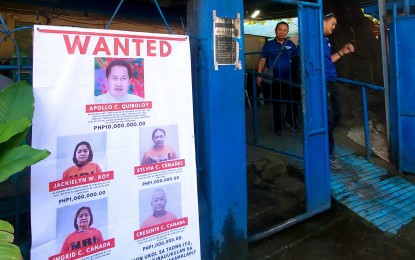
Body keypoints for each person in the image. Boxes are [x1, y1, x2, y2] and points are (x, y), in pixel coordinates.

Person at [323, 13, 355, 170]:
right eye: (333, 23)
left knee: (337, 115)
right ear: (323, 21)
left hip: (331, 82)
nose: (334, 27)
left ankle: (324, 147)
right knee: (328, 118)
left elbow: (328, 61)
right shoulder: (314, 40)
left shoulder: (325, 40)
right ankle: (328, 152)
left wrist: (342, 52)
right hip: (322, 84)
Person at [256, 21, 300, 135]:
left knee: (293, 103)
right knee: (277, 104)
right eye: (280, 29)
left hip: (291, 80)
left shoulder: (291, 44)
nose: (282, 32)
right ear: (275, 30)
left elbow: (298, 60)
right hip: (275, 80)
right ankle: (279, 127)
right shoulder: (268, 45)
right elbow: (262, 60)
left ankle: (291, 121)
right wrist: (259, 76)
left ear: (287, 32)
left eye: (284, 30)